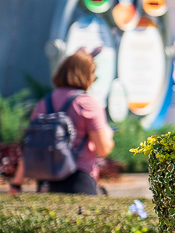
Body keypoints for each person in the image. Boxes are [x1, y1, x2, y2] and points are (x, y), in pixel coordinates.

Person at [8, 50, 113, 196]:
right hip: (79, 180)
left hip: (46, 181)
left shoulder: (43, 103)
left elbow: (30, 147)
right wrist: (107, 133)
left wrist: (16, 184)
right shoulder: (87, 104)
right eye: (93, 74)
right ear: (85, 75)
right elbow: (103, 149)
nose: (94, 78)